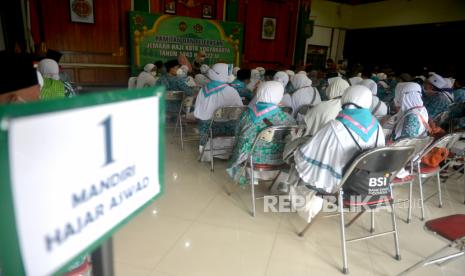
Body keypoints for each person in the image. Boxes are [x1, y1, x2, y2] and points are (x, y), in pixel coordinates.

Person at [291, 85, 384, 221]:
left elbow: (308, 155)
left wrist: (296, 147)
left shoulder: (335, 127)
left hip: (340, 185)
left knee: (298, 164)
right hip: (367, 183)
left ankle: (306, 210)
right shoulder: (377, 127)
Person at [227, 81, 296, 185]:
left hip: (252, 160)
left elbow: (237, 135)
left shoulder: (247, 115)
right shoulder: (288, 118)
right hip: (281, 161)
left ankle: (246, 178)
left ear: (259, 93)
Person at [194, 63, 243, 148]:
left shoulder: (203, 90)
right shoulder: (231, 91)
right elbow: (241, 109)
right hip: (229, 127)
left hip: (208, 128)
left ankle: (204, 148)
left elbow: (197, 112)